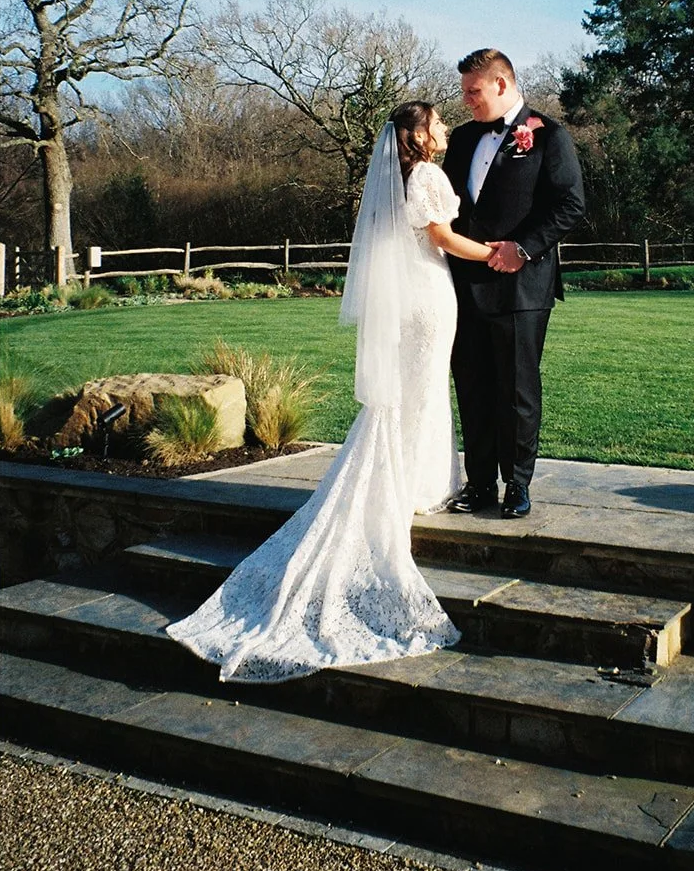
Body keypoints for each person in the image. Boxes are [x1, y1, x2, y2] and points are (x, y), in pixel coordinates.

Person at [166, 102, 497, 682]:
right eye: (438, 123)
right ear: (418, 135)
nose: (445, 130)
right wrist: (496, 253)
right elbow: (443, 238)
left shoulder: (397, 180)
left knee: (411, 393)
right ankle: (414, 484)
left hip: (410, 301)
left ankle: (410, 479)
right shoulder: (425, 176)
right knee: (421, 392)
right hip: (427, 299)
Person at [442, 48, 586, 519]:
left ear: (502, 83)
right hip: (463, 285)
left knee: (518, 390)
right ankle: (480, 483)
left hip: (523, 288)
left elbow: (569, 206)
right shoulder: (462, 140)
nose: (466, 100)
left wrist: (521, 248)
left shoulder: (549, 135)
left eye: (473, 91)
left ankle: (517, 486)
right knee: (472, 386)